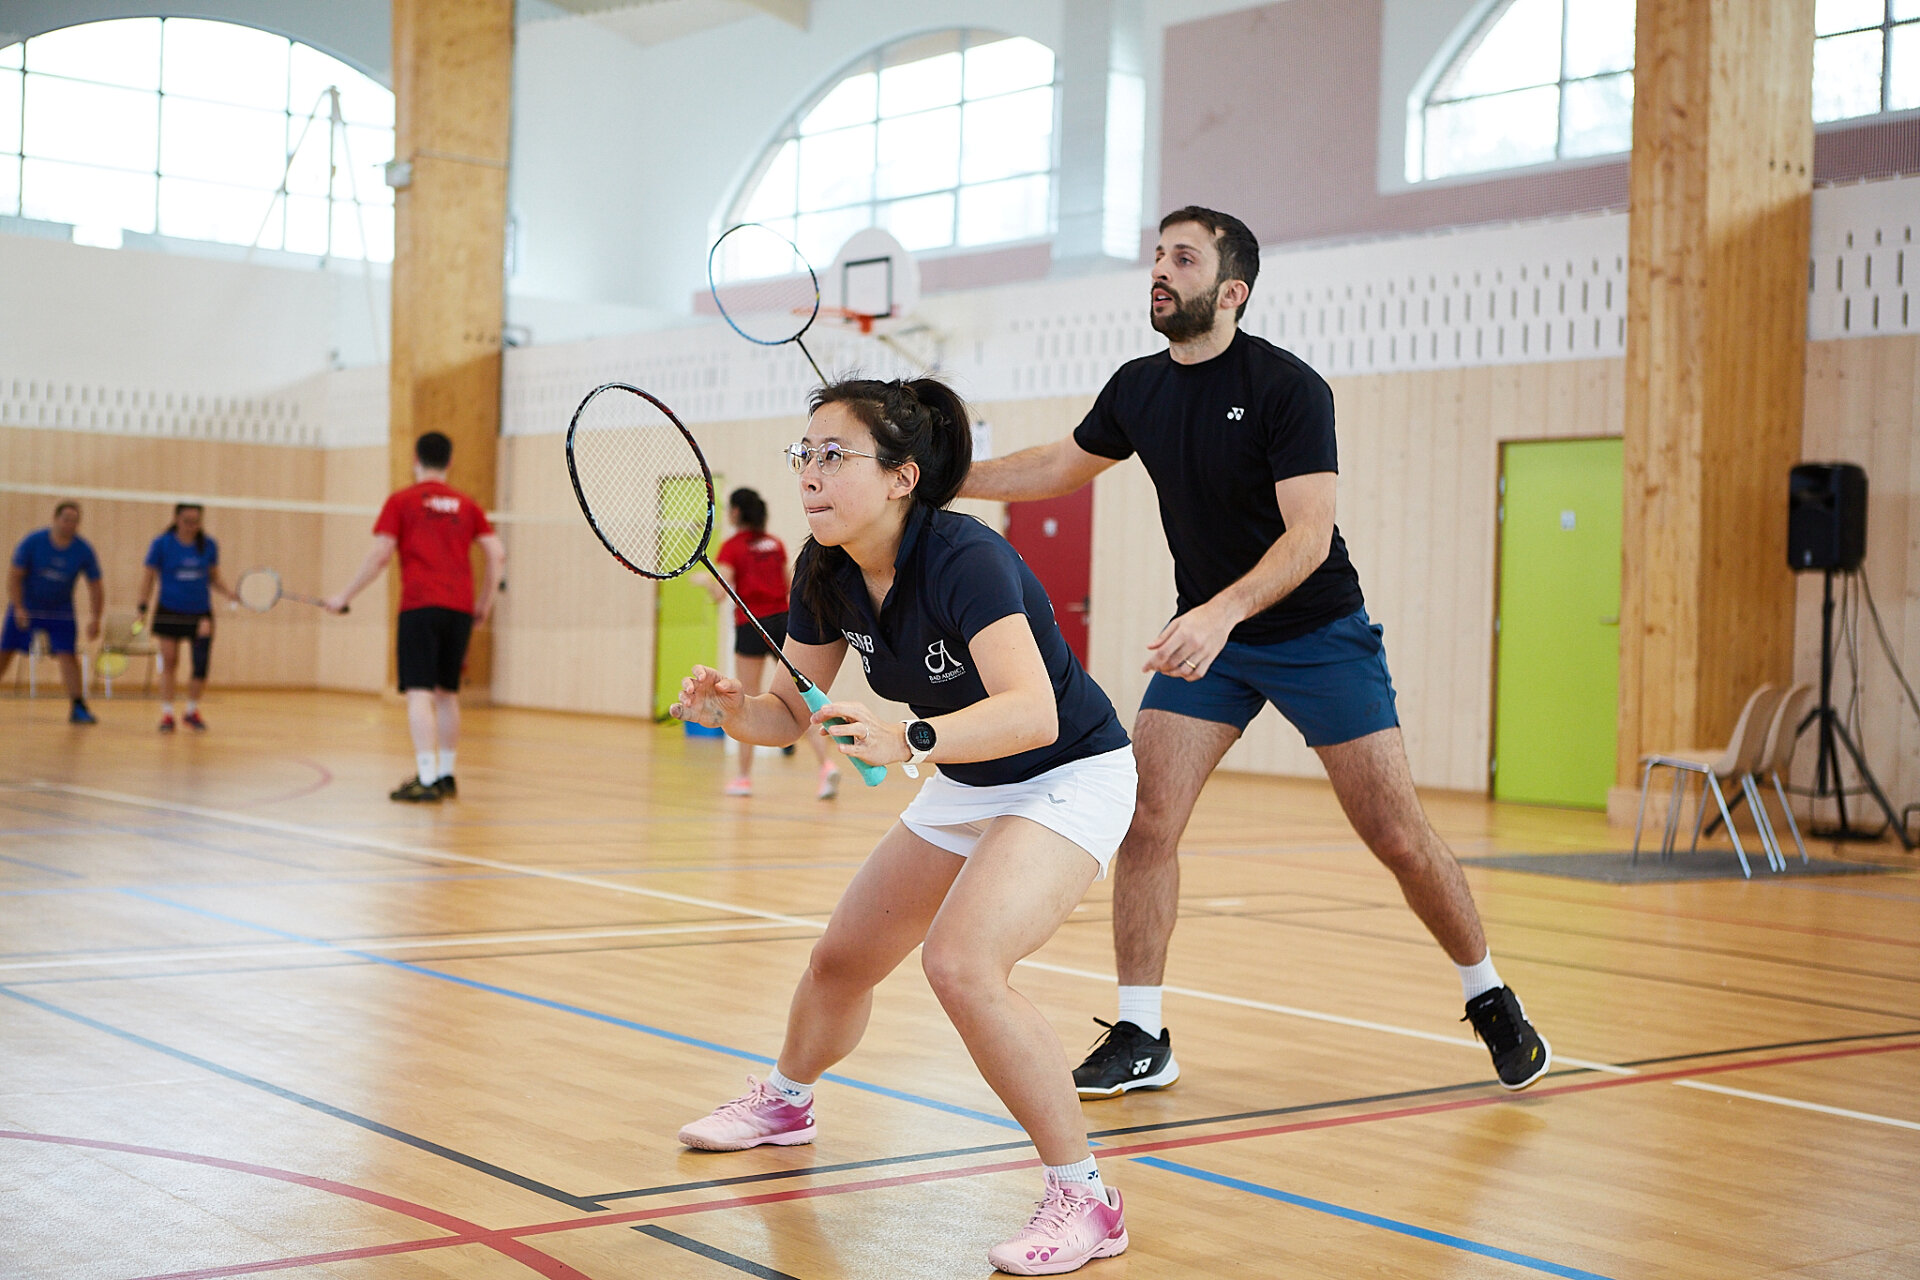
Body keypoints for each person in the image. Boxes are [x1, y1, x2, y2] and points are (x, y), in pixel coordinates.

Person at [959, 206, 1551, 1096]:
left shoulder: (1288, 388)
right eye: (1157, 256)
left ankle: (1488, 991)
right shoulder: (1137, 388)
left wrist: (1221, 613)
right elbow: (1056, 466)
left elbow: (1309, 535)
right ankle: (1142, 1032)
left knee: (1396, 833)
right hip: (1214, 640)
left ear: (1232, 290)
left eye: (1183, 259)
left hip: (1316, 634)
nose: (1161, 271)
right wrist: (947, 480)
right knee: (1147, 819)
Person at [673, 378, 1137, 1276]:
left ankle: (1087, 1198)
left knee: (962, 963)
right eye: (803, 455)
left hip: (1068, 773)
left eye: (833, 455)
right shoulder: (825, 569)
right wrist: (733, 711)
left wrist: (910, 737)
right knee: (841, 959)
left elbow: (1033, 711)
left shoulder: (967, 558)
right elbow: (788, 715)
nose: (810, 474)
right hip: (968, 778)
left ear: (901, 477)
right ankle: (787, 1101)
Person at [323, 431, 506, 803]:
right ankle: (446, 775)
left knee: (419, 693)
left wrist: (344, 596)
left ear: (415, 459)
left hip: (421, 606)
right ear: (450, 462)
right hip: (459, 609)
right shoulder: (467, 505)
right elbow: (497, 554)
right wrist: (485, 602)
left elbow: (380, 556)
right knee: (447, 694)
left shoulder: (401, 501)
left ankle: (425, 778)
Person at [704, 486, 840, 799]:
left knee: (744, 703)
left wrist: (704, 583)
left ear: (736, 512)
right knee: (802, 702)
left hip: (751, 626)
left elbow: (719, 593)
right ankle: (826, 765)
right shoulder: (774, 543)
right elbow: (791, 586)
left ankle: (743, 778)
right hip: (783, 623)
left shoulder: (732, 547)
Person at [2, 501, 102, 724]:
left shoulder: (83, 550)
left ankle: (78, 706)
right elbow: (14, 577)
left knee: (68, 654)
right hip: (28, 606)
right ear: (55, 519)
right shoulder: (33, 542)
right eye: (66, 519)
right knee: (5, 651)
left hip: (60, 609)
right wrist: (18, 607)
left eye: (74, 521)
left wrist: (95, 618)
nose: (69, 524)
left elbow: (96, 585)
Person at [138, 503, 232, 732]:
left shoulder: (208, 545)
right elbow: (149, 577)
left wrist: (229, 592)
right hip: (169, 610)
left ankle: (191, 711)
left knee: (200, 664)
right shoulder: (162, 544)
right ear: (177, 519)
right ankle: (167, 714)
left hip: (200, 613)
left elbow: (214, 577)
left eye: (196, 521)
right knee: (170, 661)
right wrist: (142, 606)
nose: (192, 526)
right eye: (187, 521)